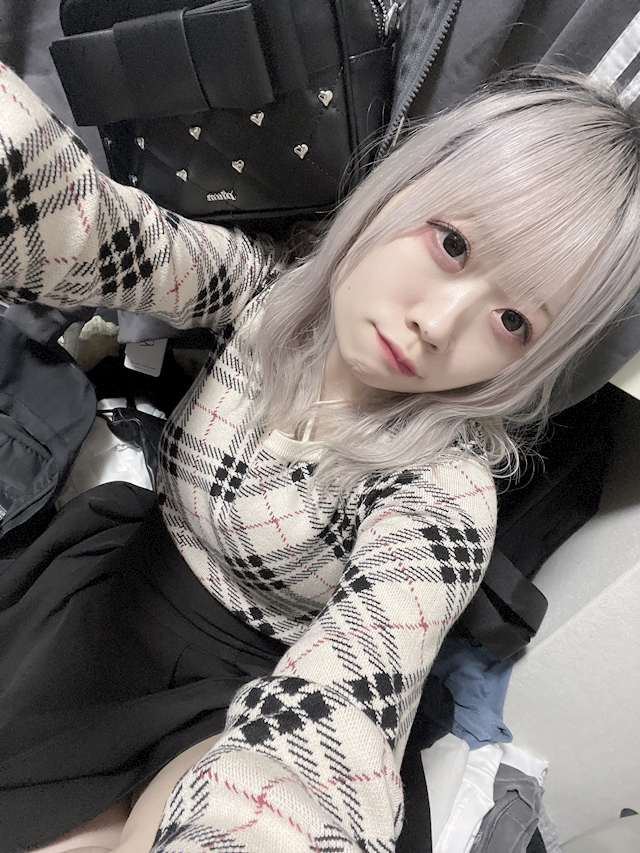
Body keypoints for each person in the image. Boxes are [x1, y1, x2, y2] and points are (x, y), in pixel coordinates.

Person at [0, 61, 639, 853]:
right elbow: (99, 232)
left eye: (513, 321)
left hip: (255, 694)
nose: (439, 324)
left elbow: (353, 693)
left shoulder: (447, 488)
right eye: (452, 244)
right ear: (403, 188)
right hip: (113, 595)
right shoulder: (267, 293)